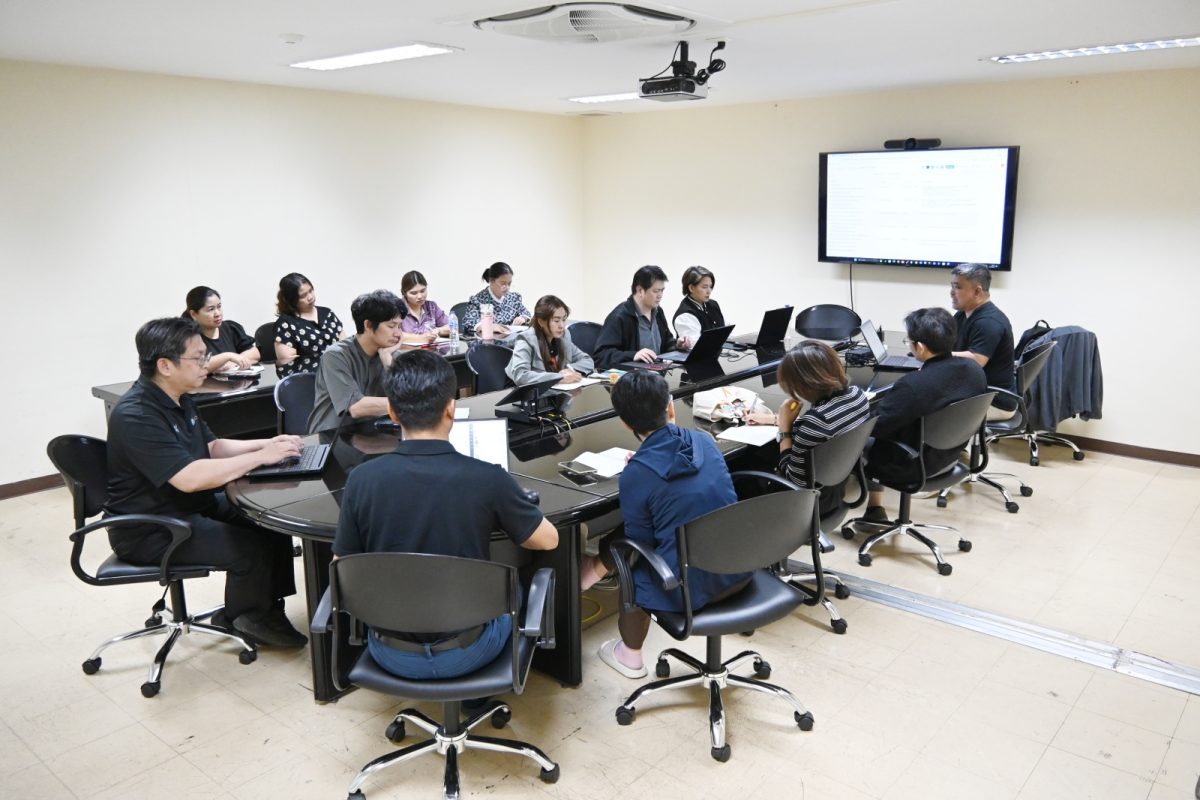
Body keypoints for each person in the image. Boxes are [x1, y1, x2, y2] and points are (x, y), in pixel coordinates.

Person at [332, 349, 559, 679]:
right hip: (470, 651)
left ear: (392, 412)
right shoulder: (488, 478)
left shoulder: (360, 479)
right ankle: (474, 699)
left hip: (389, 650)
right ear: (451, 409)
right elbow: (548, 540)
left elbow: (343, 565)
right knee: (516, 585)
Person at [105, 317, 307, 647]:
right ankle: (247, 617)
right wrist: (260, 457)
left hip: (188, 505)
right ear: (165, 366)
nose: (207, 364)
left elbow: (212, 447)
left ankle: (263, 608)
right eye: (198, 358)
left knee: (269, 520)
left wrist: (267, 444)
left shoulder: (179, 397)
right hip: (149, 526)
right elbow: (189, 478)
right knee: (250, 547)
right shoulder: (136, 415)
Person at [582, 370, 750, 679]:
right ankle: (591, 574)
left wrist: (638, 474)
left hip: (688, 592)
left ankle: (630, 657)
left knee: (631, 556)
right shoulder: (704, 440)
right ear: (671, 407)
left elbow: (640, 543)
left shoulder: (637, 474)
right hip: (740, 566)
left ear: (625, 423)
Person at [862, 307, 987, 521]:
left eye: (909, 342)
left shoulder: (913, 386)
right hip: (950, 456)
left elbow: (874, 426)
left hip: (913, 465)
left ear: (920, 347)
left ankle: (865, 507)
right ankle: (873, 510)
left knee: (855, 439)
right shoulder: (974, 370)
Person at [747, 340, 870, 515]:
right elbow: (827, 425)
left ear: (803, 384)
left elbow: (793, 481)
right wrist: (776, 419)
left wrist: (785, 430)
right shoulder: (858, 396)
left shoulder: (816, 421)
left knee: (745, 465)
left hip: (806, 506)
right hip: (834, 490)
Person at [308, 290, 404, 433]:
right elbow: (356, 407)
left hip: (374, 432)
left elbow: (409, 394)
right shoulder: (335, 356)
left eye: (400, 326)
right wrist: (407, 404)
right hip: (333, 435)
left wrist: (389, 367)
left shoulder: (391, 354)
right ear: (368, 325)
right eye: (391, 326)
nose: (398, 333)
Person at [949, 263, 1017, 417]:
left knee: (924, 409)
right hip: (975, 392)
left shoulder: (988, 322)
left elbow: (977, 359)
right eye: (952, 286)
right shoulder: (964, 313)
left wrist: (937, 356)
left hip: (993, 401)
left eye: (957, 287)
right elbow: (947, 340)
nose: (951, 292)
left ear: (977, 291)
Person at [593, 265, 691, 370]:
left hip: (658, 373)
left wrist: (677, 345)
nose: (660, 295)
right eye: (656, 291)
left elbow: (666, 343)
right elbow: (601, 357)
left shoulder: (658, 312)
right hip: (633, 377)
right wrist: (634, 355)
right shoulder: (619, 317)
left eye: (662, 290)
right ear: (640, 290)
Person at [505, 295, 594, 386]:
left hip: (557, 391)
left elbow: (587, 360)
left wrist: (569, 370)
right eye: (556, 321)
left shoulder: (564, 337)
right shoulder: (526, 339)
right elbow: (520, 375)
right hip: (526, 393)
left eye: (563, 319)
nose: (562, 325)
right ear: (541, 322)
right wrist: (558, 378)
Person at [273, 272, 344, 373]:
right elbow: (288, 364)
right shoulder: (285, 324)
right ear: (292, 300)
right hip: (307, 377)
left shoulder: (327, 313)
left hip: (337, 371)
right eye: (303, 296)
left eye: (311, 291)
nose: (310, 297)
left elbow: (345, 345)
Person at [183, 286, 260, 373]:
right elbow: (196, 367)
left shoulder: (230, 328)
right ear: (193, 314)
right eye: (211, 309)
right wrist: (228, 356)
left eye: (219, 307)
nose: (218, 313)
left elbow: (255, 353)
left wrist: (232, 362)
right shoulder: (189, 337)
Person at [461, 261, 532, 337]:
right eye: (503, 283)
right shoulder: (478, 300)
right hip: (488, 341)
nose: (507, 287)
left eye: (509, 283)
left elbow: (526, 313)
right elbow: (468, 323)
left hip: (511, 340)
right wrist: (488, 327)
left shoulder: (514, 298)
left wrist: (522, 318)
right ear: (491, 281)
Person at [671, 265, 725, 345]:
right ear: (691, 288)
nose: (709, 291)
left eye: (710, 287)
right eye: (704, 287)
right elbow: (696, 345)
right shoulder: (685, 315)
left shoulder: (713, 304)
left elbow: (725, 328)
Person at [398, 270, 450, 345]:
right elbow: (393, 335)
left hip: (431, 350)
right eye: (414, 293)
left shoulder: (431, 307)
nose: (420, 296)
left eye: (423, 291)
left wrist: (438, 330)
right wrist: (422, 338)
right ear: (404, 293)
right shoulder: (397, 309)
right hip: (405, 351)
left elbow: (452, 326)